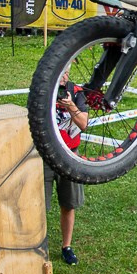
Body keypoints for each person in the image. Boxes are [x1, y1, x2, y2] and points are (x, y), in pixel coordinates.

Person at [49, 83, 90, 264]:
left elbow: (83, 124)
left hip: (70, 155)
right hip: (46, 156)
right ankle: (37, 245)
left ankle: (67, 247)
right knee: (37, 204)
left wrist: (70, 106)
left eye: (68, 69)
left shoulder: (77, 92)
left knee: (69, 204)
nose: (65, 73)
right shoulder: (46, 88)